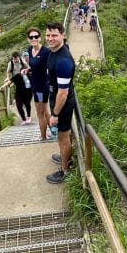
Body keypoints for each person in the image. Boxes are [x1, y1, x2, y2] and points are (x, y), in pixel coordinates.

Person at [44, 22, 77, 184]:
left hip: (62, 104)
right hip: (57, 98)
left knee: (63, 137)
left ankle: (65, 171)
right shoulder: (57, 50)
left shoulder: (63, 61)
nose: (50, 39)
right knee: (64, 137)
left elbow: (62, 94)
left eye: (54, 35)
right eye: (48, 35)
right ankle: (66, 156)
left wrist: (55, 115)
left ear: (63, 35)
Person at [23, 27, 52, 139]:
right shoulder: (30, 50)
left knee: (40, 114)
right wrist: (28, 70)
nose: (34, 38)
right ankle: (54, 133)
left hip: (41, 88)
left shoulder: (46, 52)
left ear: (40, 38)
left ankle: (43, 137)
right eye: (31, 37)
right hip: (36, 85)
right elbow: (35, 66)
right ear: (28, 39)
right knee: (45, 112)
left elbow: (51, 68)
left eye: (36, 36)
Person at [5, 52, 32, 124]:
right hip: (16, 81)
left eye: (16, 59)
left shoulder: (22, 61)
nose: (15, 60)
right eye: (14, 59)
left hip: (25, 81)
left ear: (19, 57)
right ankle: (24, 119)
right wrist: (8, 78)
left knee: (27, 103)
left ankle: (28, 117)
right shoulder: (11, 63)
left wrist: (25, 71)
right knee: (19, 104)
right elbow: (8, 72)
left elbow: (29, 68)